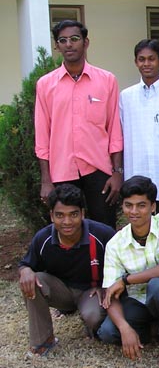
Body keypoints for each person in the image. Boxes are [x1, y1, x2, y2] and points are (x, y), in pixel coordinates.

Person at [35, 20, 123, 229]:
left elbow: (115, 131)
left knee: (105, 228)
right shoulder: (46, 85)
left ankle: (105, 264)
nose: (69, 44)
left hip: (99, 170)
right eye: (62, 40)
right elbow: (42, 135)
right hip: (61, 171)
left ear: (86, 43)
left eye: (74, 39)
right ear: (57, 46)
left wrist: (117, 172)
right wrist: (46, 180)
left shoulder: (107, 80)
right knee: (68, 230)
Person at [18, 184, 115, 358]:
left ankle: (90, 323)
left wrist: (106, 286)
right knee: (33, 280)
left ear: (83, 214)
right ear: (51, 216)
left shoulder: (102, 234)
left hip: (92, 292)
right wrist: (24, 270)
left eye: (73, 214)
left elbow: (121, 266)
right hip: (62, 291)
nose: (67, 222)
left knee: (93, 317)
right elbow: (26, 264)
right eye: (60, 216)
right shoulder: (43, 238)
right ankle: (43, 341)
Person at [98, 176, 159, 366]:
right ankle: (153, 328)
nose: (134, 211)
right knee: (108, 332)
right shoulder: (115, 244)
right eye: (128, 205)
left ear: (153, 206)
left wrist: (126, 280)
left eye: (141, 205)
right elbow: (110, 294)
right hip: (140, 302)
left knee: (158, 285)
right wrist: (124, 328)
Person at [119, 39, 159, 217]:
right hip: (136, 176)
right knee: (140, 234)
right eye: (141, 59)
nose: (146, 64)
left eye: (151, 59)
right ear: (135, 62)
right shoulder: (126, 97)